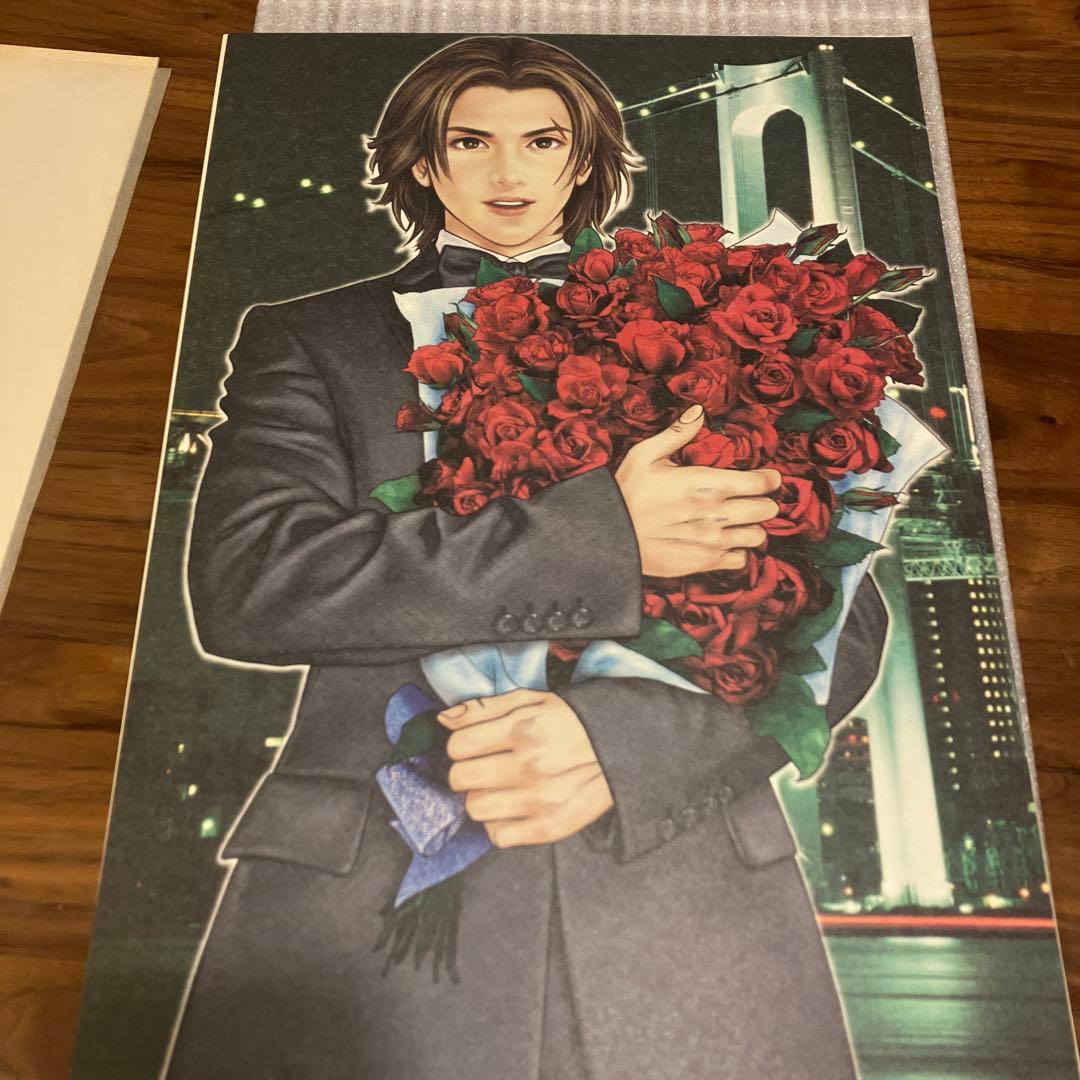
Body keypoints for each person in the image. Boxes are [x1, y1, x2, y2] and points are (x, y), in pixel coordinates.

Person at [165, 34, 888, 1080]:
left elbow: (840, 618)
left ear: (584, 158)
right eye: (472, 141)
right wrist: (608, 537)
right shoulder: (311, 339)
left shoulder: (713, 322)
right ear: (424, 161)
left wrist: (624, 747)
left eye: (542, 141)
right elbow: (253, 581)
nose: (508, 172)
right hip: (361, 897)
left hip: (684, 907)